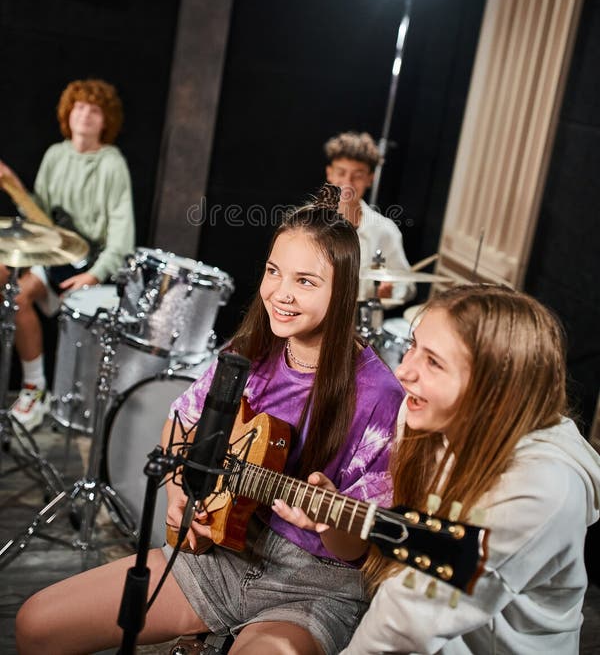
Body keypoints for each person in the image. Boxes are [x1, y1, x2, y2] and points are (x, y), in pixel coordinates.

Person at [15, 184, 404, 655]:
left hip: (314, 585)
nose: (280, 294)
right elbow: (181, 426)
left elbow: (357, 550)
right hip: (224, 554)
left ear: (342, 290)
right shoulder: (248, 353)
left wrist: (325, 519)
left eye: (305, 281)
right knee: (36, 625)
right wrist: (181, 494)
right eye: (273, 272)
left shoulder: (381, 396)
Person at [315, 283, 599, 654]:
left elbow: (406, 619)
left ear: (495, 390)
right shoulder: (425, 418)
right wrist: (340, 514)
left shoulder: (542, 490)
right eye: (413, 346)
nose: (403, 372)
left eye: (433, 362)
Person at [0, 78, 135, 432]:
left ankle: (50, 397)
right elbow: (41, 223)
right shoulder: (55, 155)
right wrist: (14, 186)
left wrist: (94, 275)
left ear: (106, 121)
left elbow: (122, 239)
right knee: (6, 282)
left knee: (27, 298)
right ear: (67, 112)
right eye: (79, 107)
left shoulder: (112, 164)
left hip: (89, 266)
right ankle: (34, 388)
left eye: (94, 110)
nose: (85, 115)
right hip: (54, 256)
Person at [324, 130, 416, 305]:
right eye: (341, 172)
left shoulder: (385, 230)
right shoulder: (307, 223)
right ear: (330, 173)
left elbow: (408, 285)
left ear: (370, 179)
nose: (348, 182)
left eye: (357, 175)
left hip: (360, 320)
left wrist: (392, 290)